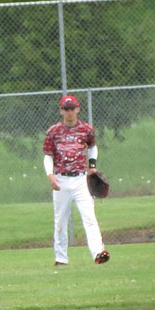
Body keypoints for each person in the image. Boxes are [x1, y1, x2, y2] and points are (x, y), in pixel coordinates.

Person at [42, 94, 109, 266]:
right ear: (61, 111)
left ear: (78, 109)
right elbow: (48, 156)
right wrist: (50, 175)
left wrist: (92, 166)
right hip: (61, 180)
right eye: (66, 109)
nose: (70, 112)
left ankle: (98, 253)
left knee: (89, 217)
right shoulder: (53, 132)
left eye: (72, 108)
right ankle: (61, 258)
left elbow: (93, 146)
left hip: (80, 180)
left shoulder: (86, 129)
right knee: (60, 220)